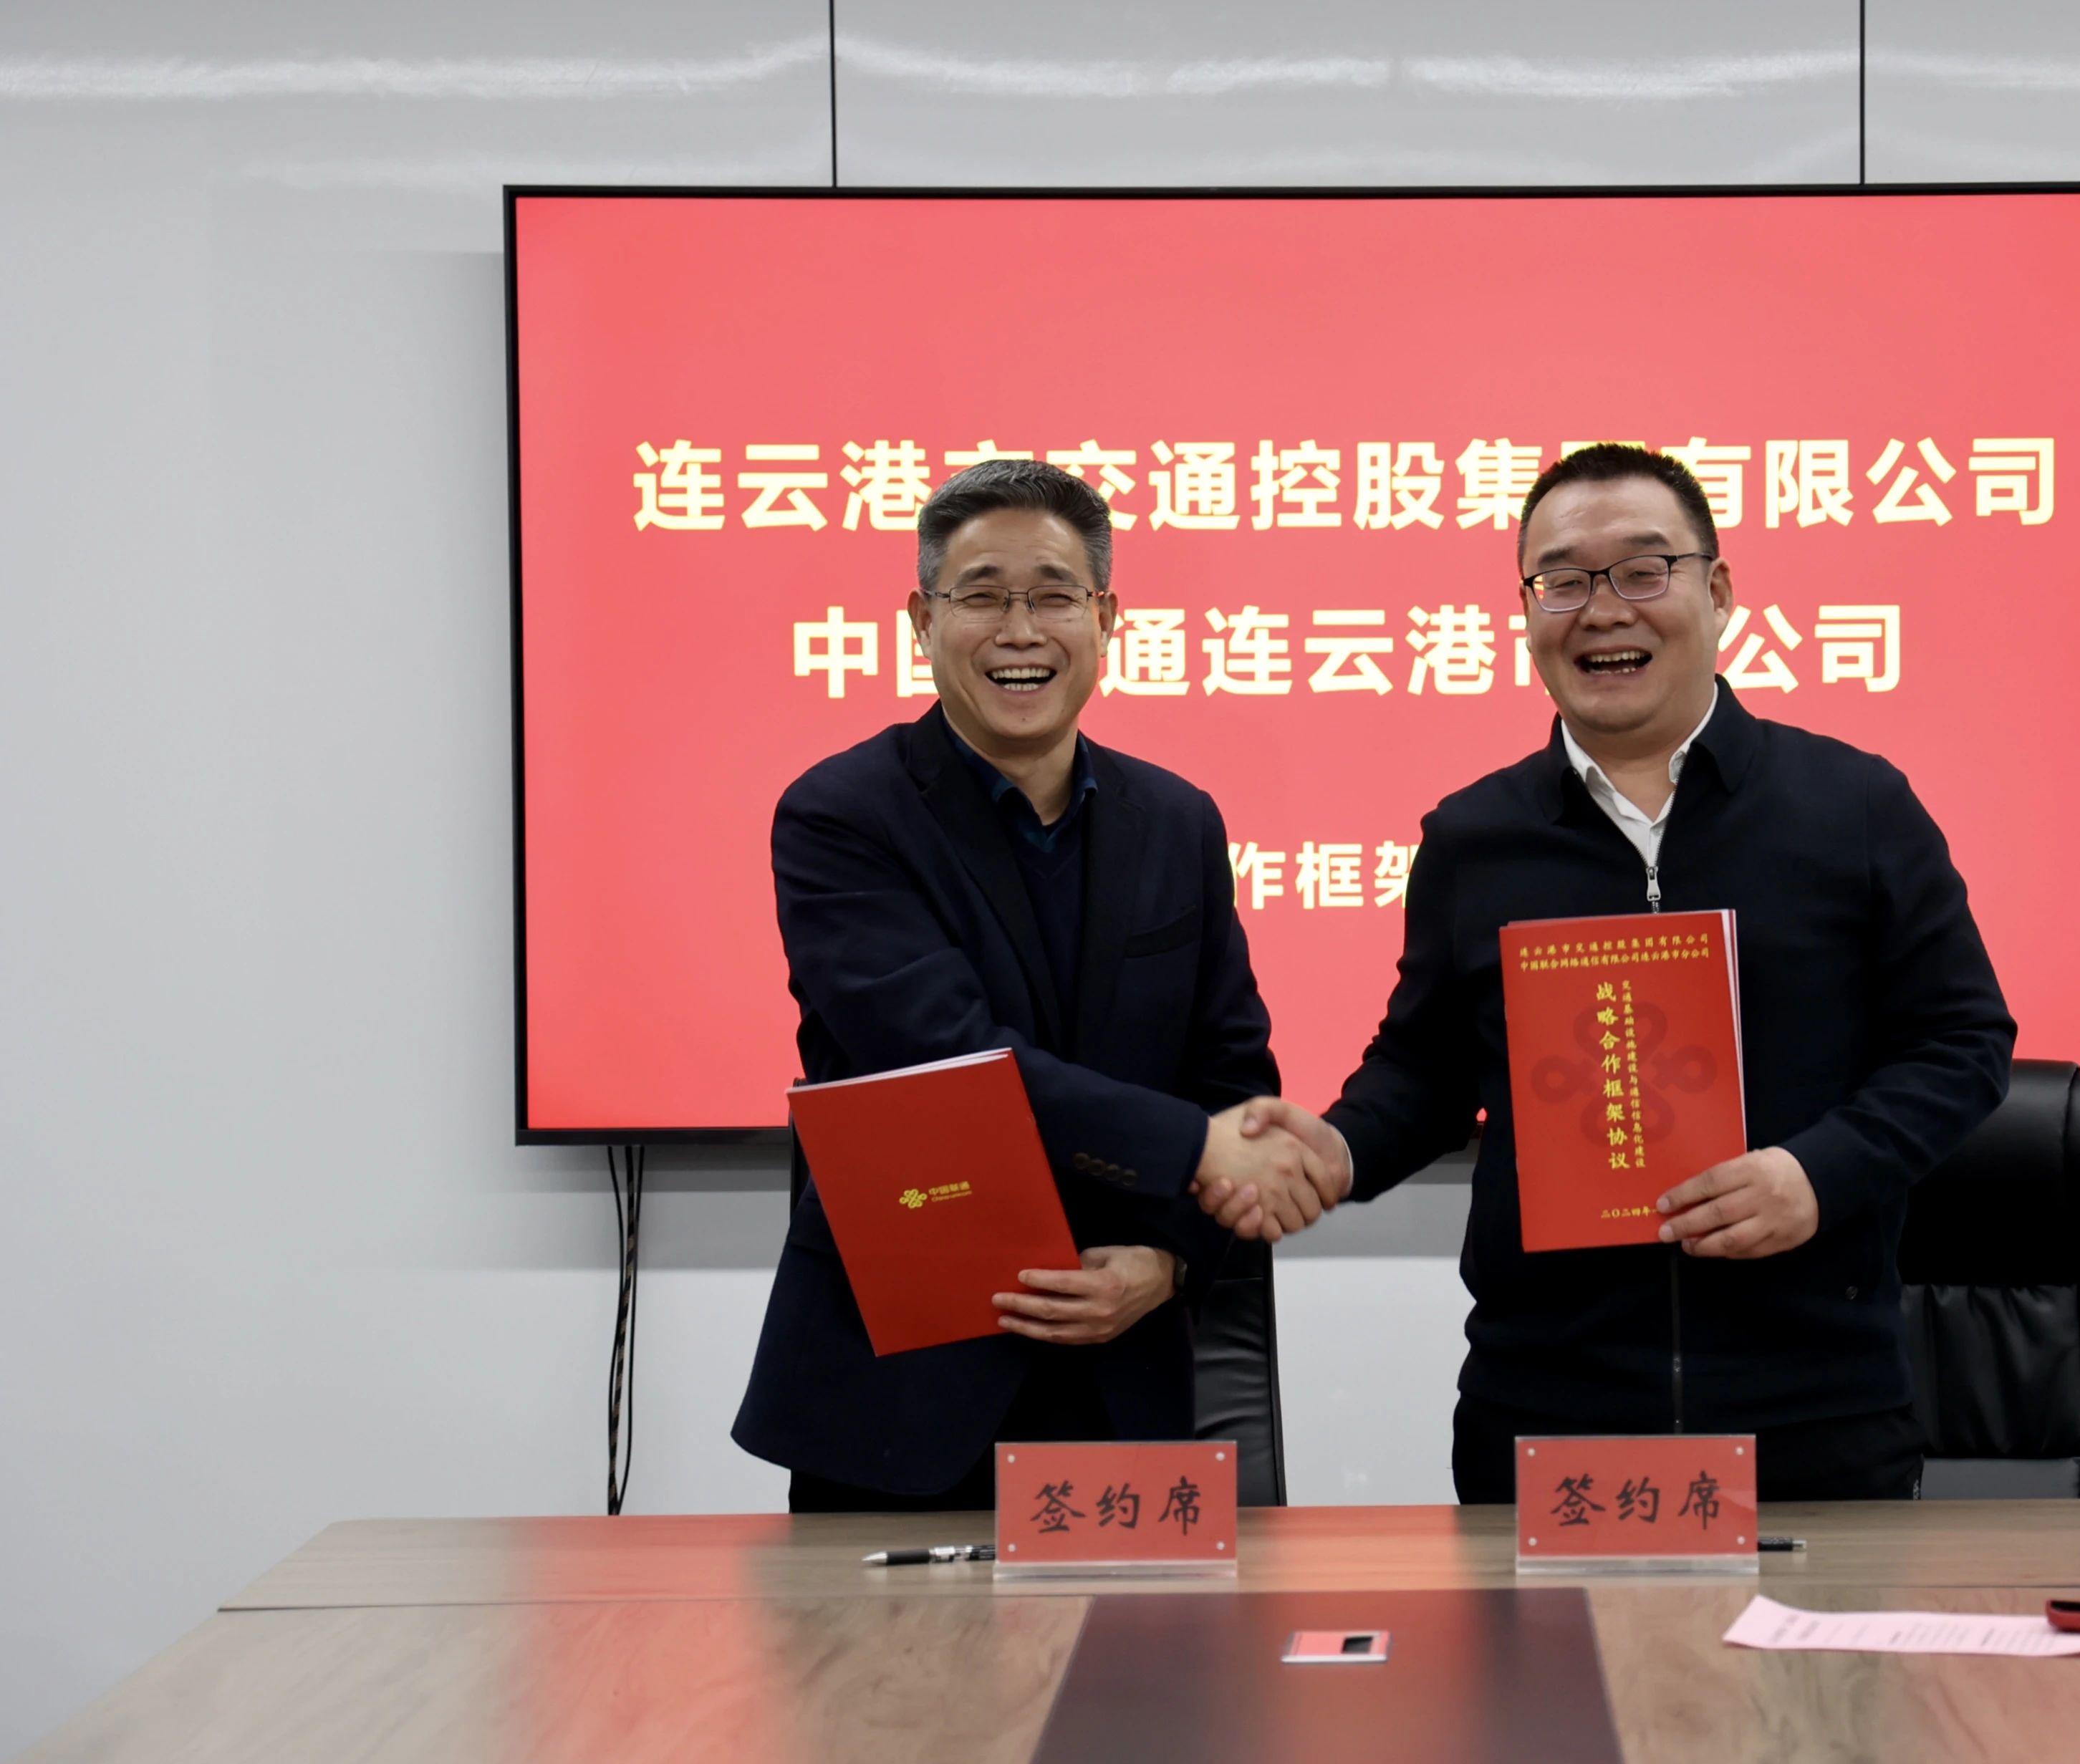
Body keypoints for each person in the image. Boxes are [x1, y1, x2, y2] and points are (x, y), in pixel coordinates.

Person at [1220, 443, 2016, 1503]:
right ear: (1527, 611)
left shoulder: (1855, 806)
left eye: (1644, 571)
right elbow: (1424, 1070)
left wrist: (1819, 1173)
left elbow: (1962, 1043)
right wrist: (1342, 1148)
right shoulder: (1475, 838)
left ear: (1718, 592)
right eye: (1562, 581)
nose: (1602, 610)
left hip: (1814, 1405)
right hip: (1548, 1408)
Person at [733, 458, 1333, 1512]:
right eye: (982, 596)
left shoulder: (1177, 821)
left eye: (1054, 595)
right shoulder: (841, 816)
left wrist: (1170, 1259)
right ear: (923, 621)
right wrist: (1192, 1148)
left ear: (1105, 618)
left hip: (1124, 1378)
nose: (1021, 631)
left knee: (1143, 1633)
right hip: (905, 1393)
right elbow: (945, 1059)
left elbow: (1232, 1076)